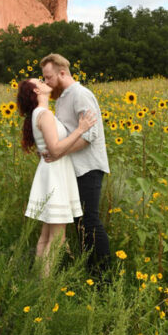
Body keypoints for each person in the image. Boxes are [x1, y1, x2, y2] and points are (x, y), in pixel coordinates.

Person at [17, 78, 97, 276]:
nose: (45, 81)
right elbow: (55, 148)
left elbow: (50, 147)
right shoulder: (43, 114)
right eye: (40, 80)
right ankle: (46, 289)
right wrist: (81, 128)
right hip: (55, 174)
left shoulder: (42, 113)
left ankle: (39, 283)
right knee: (58, 239)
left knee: (46, 235)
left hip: (52, 172)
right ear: (37, 90)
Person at [40, 54, 111, 275]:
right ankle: (89, 273)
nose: (46, 83)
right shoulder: (62, 99)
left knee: (89, 222)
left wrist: (59, 152)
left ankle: (103, 278)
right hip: (74, 169)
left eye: (49, 77)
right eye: (43, 79)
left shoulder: (80, 95)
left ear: (62, 73)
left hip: (88, 168)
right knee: (81, 224)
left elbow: (90, 134)